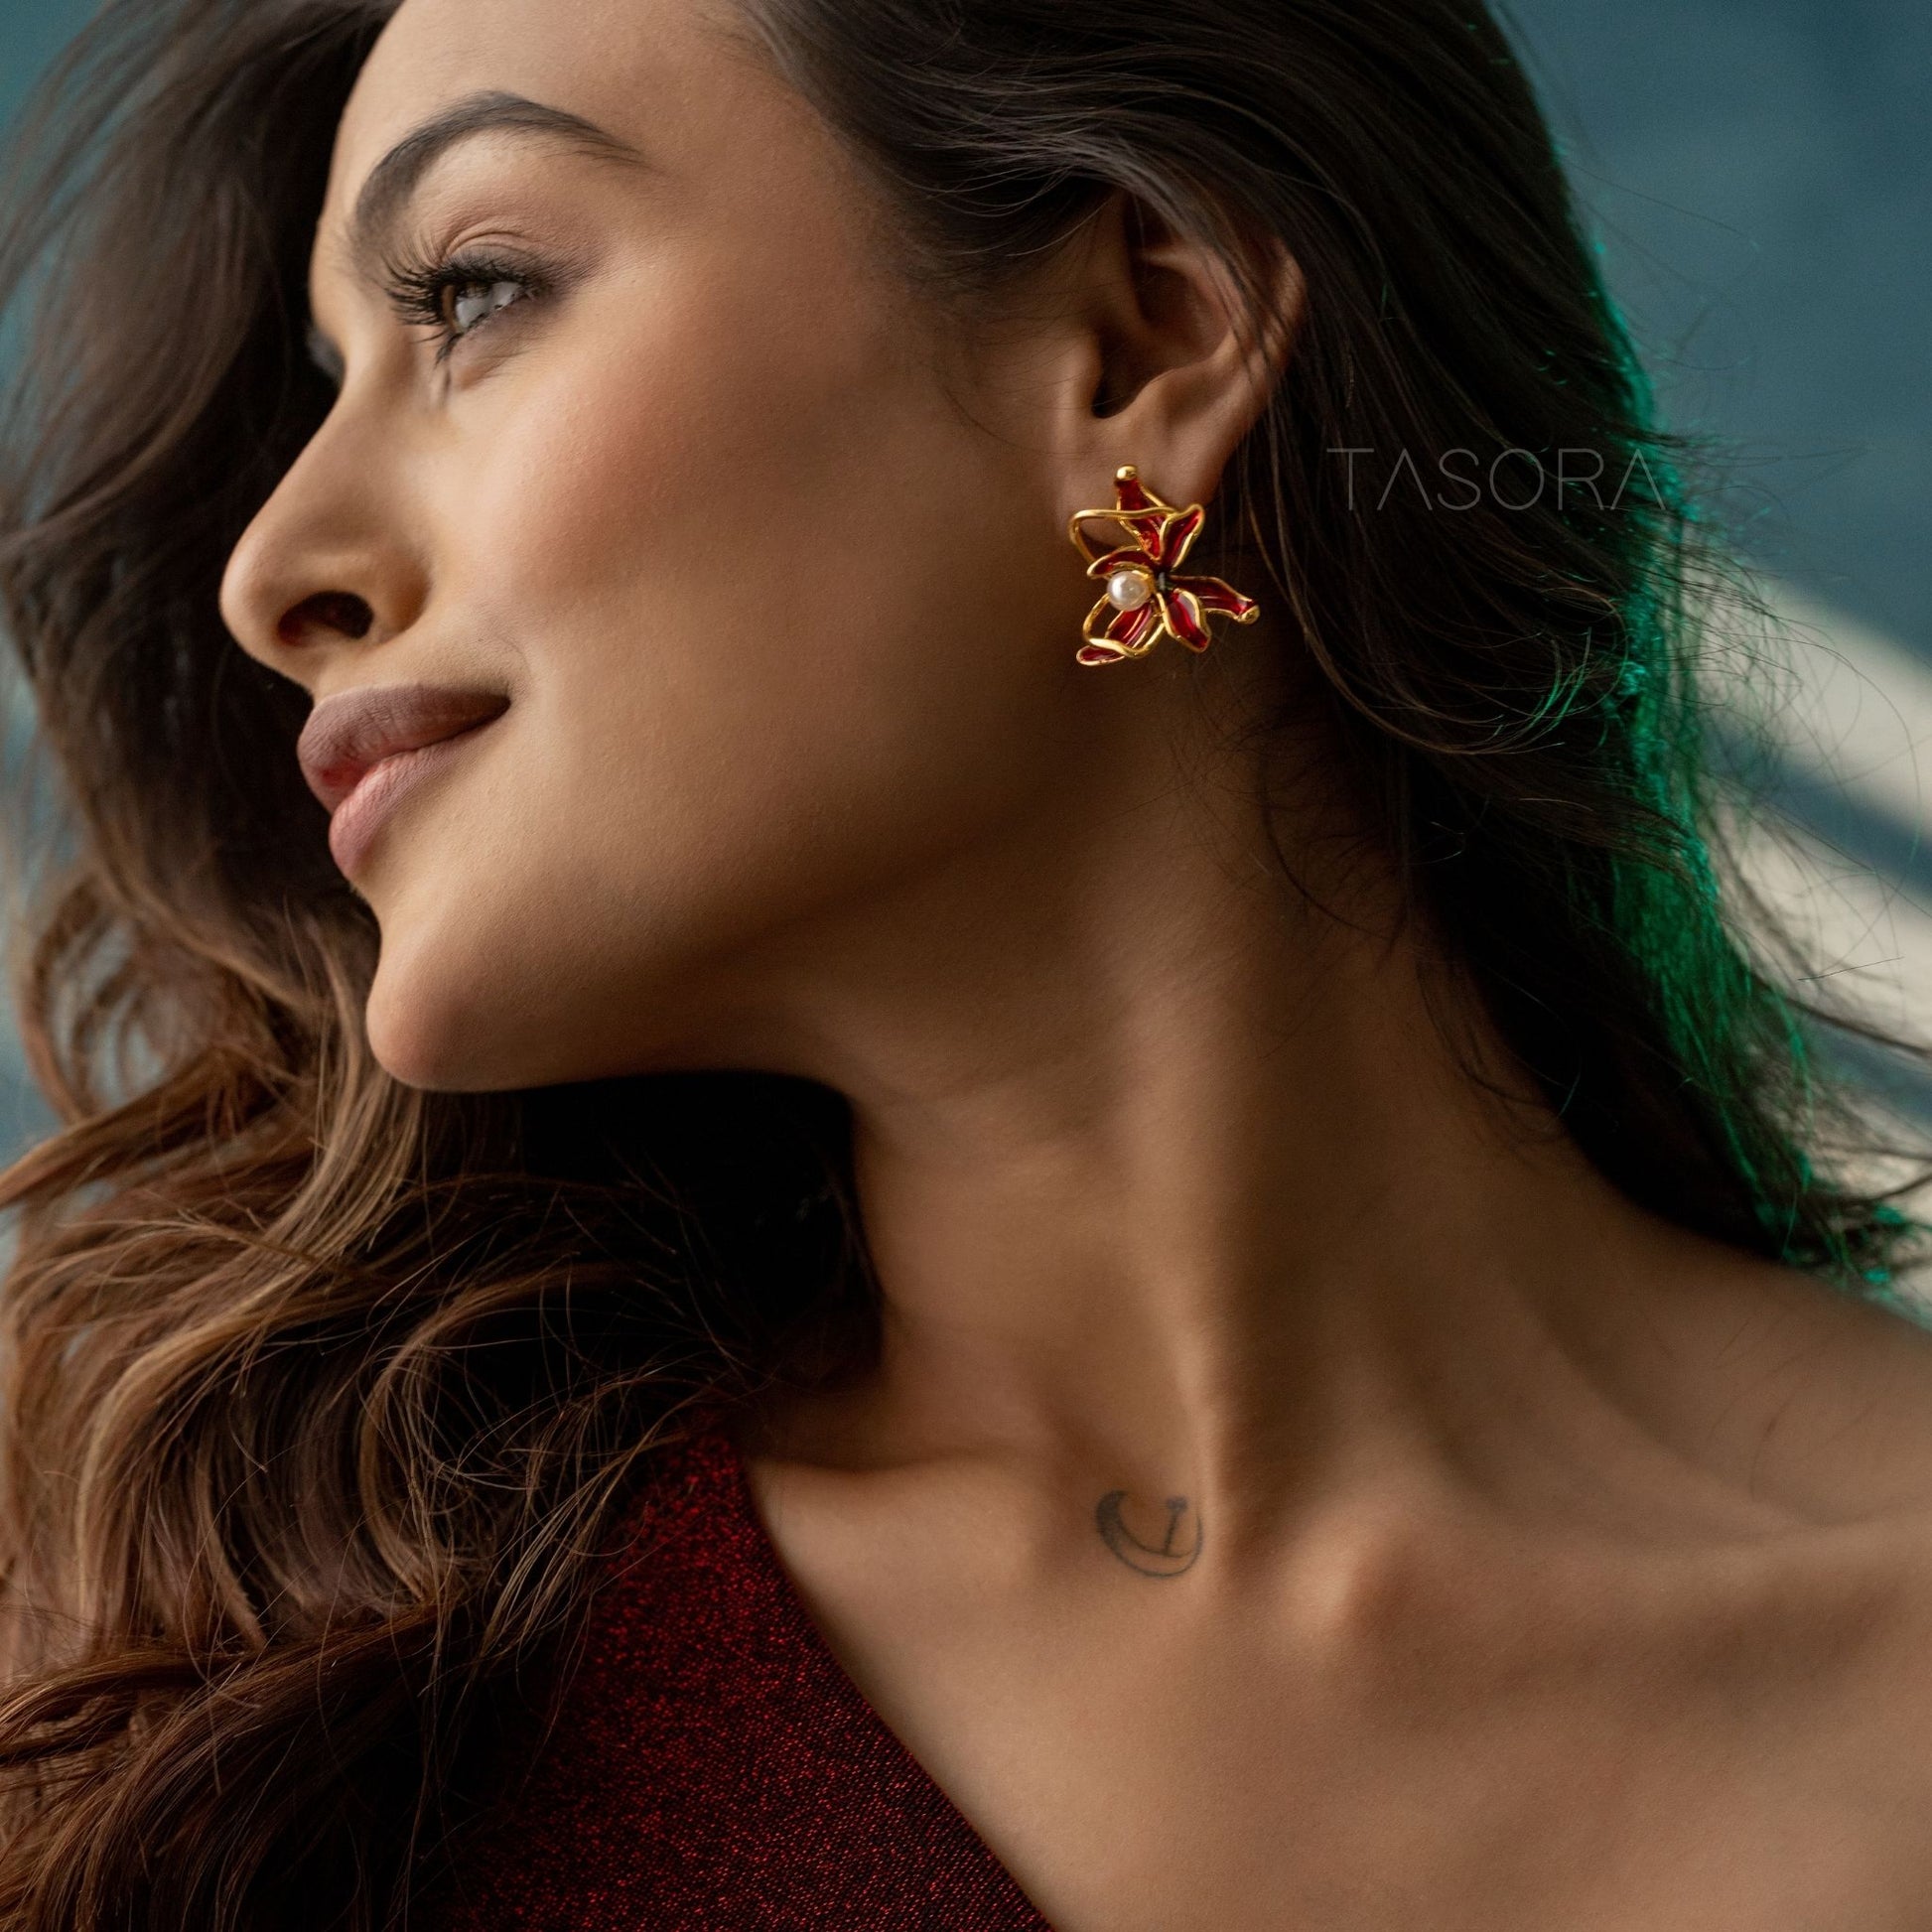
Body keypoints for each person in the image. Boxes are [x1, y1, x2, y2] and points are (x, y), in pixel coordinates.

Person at [0, 0, 1929, 1924]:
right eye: (330, 381)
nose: (275, 566)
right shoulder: (188, 1648)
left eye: (477, 290)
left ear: (1135, 342)